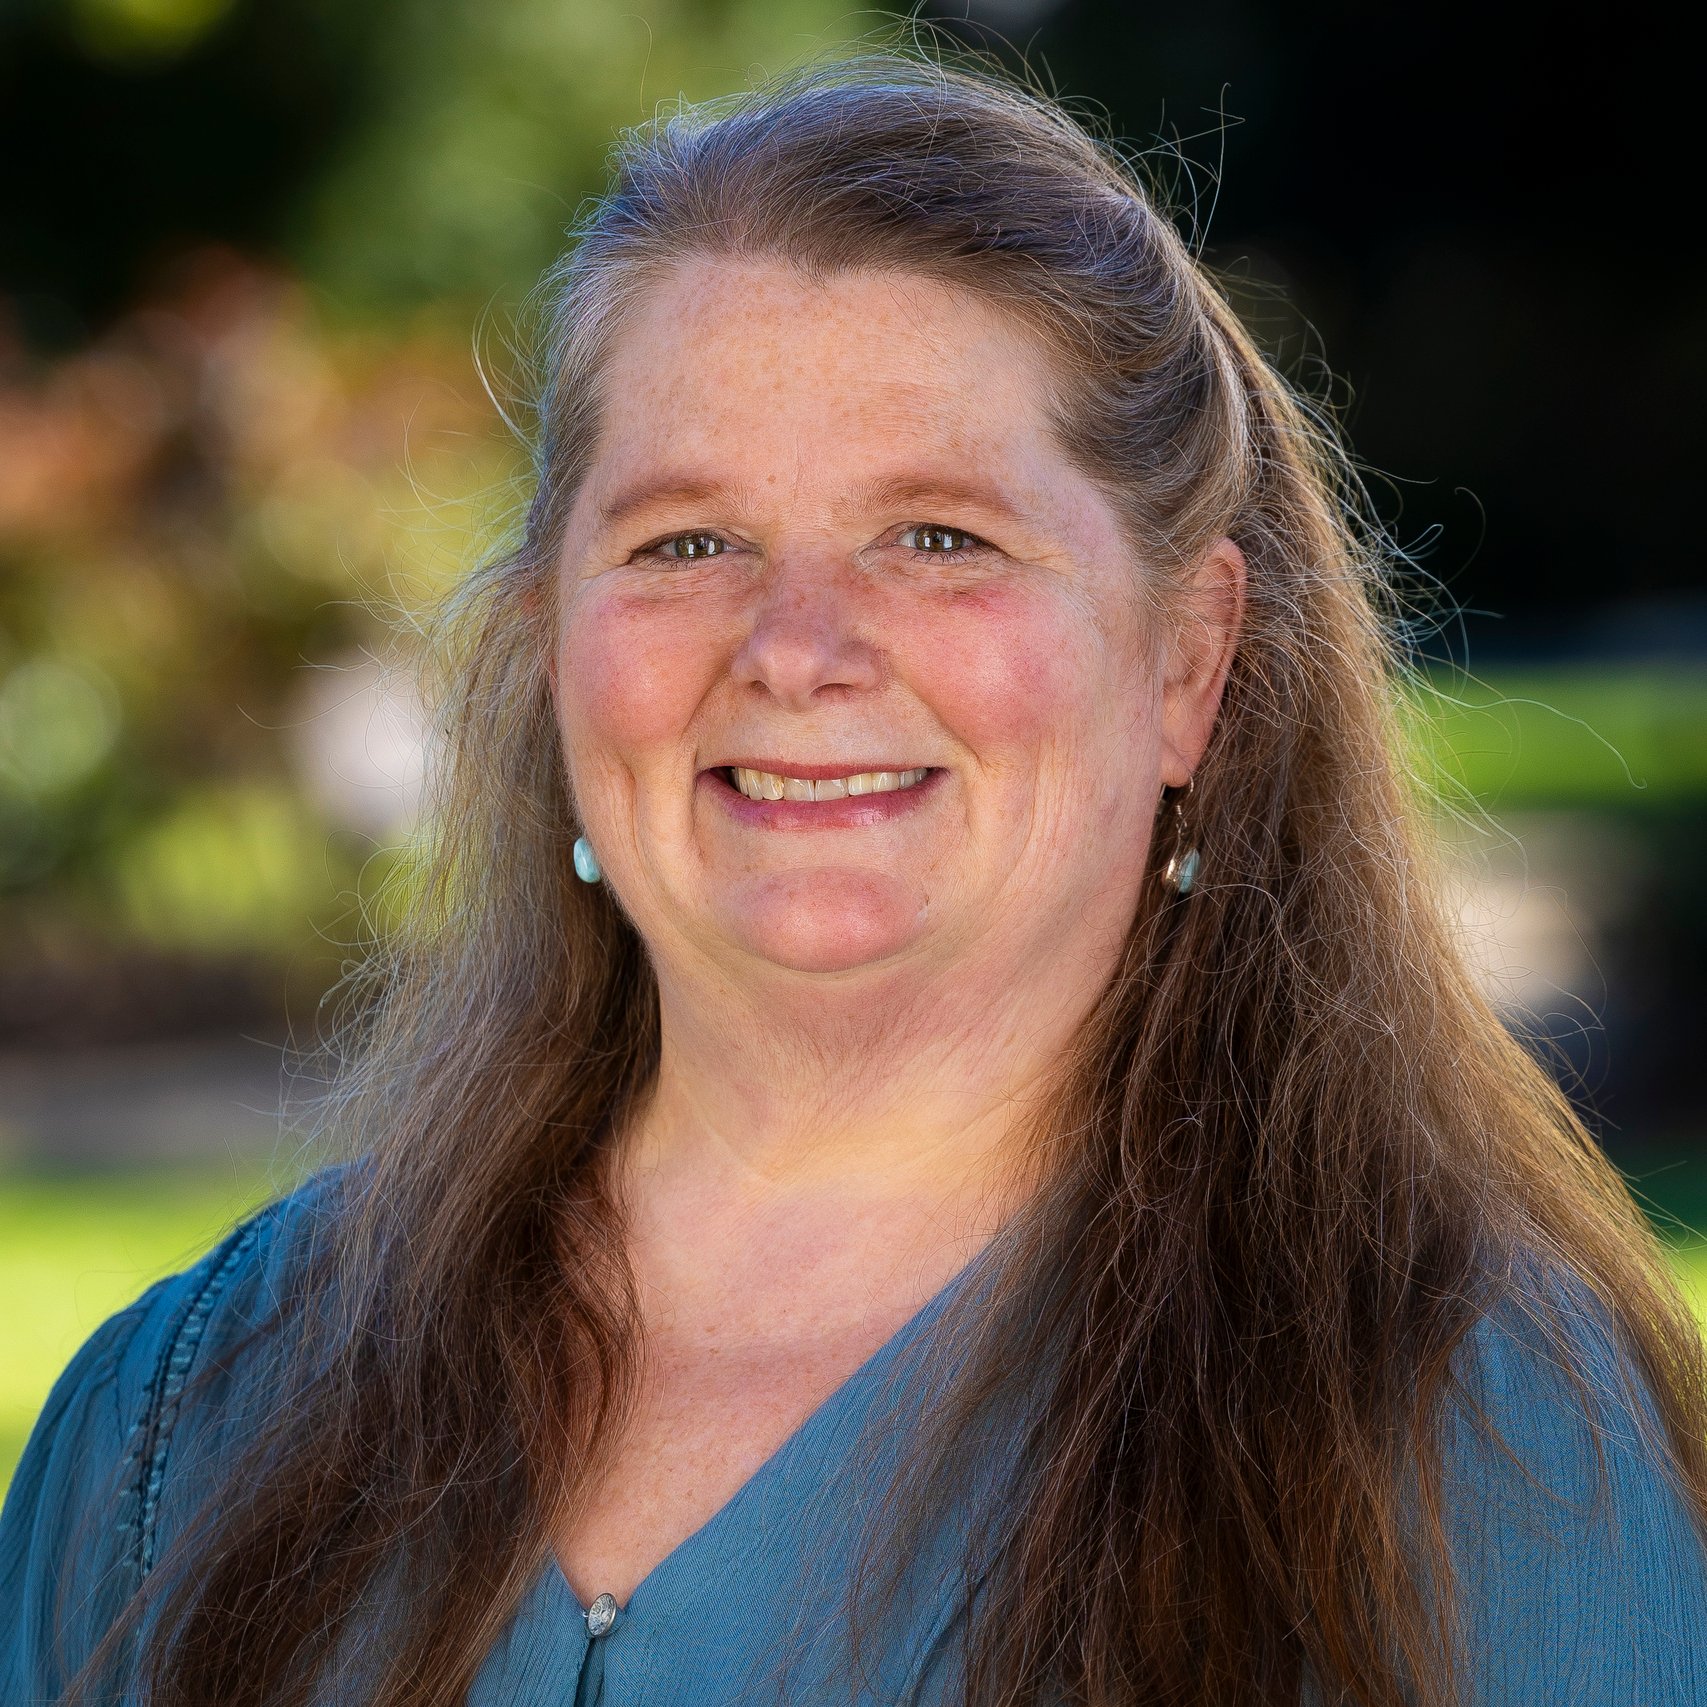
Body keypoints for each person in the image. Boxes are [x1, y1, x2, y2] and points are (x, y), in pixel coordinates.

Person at [4, 51, 1706, 1707]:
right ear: (547, 654)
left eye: (940, 537)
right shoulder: (179, 1429)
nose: (797, 649)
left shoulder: (1482, 1453)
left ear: (1190, 661)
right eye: (686, 542)